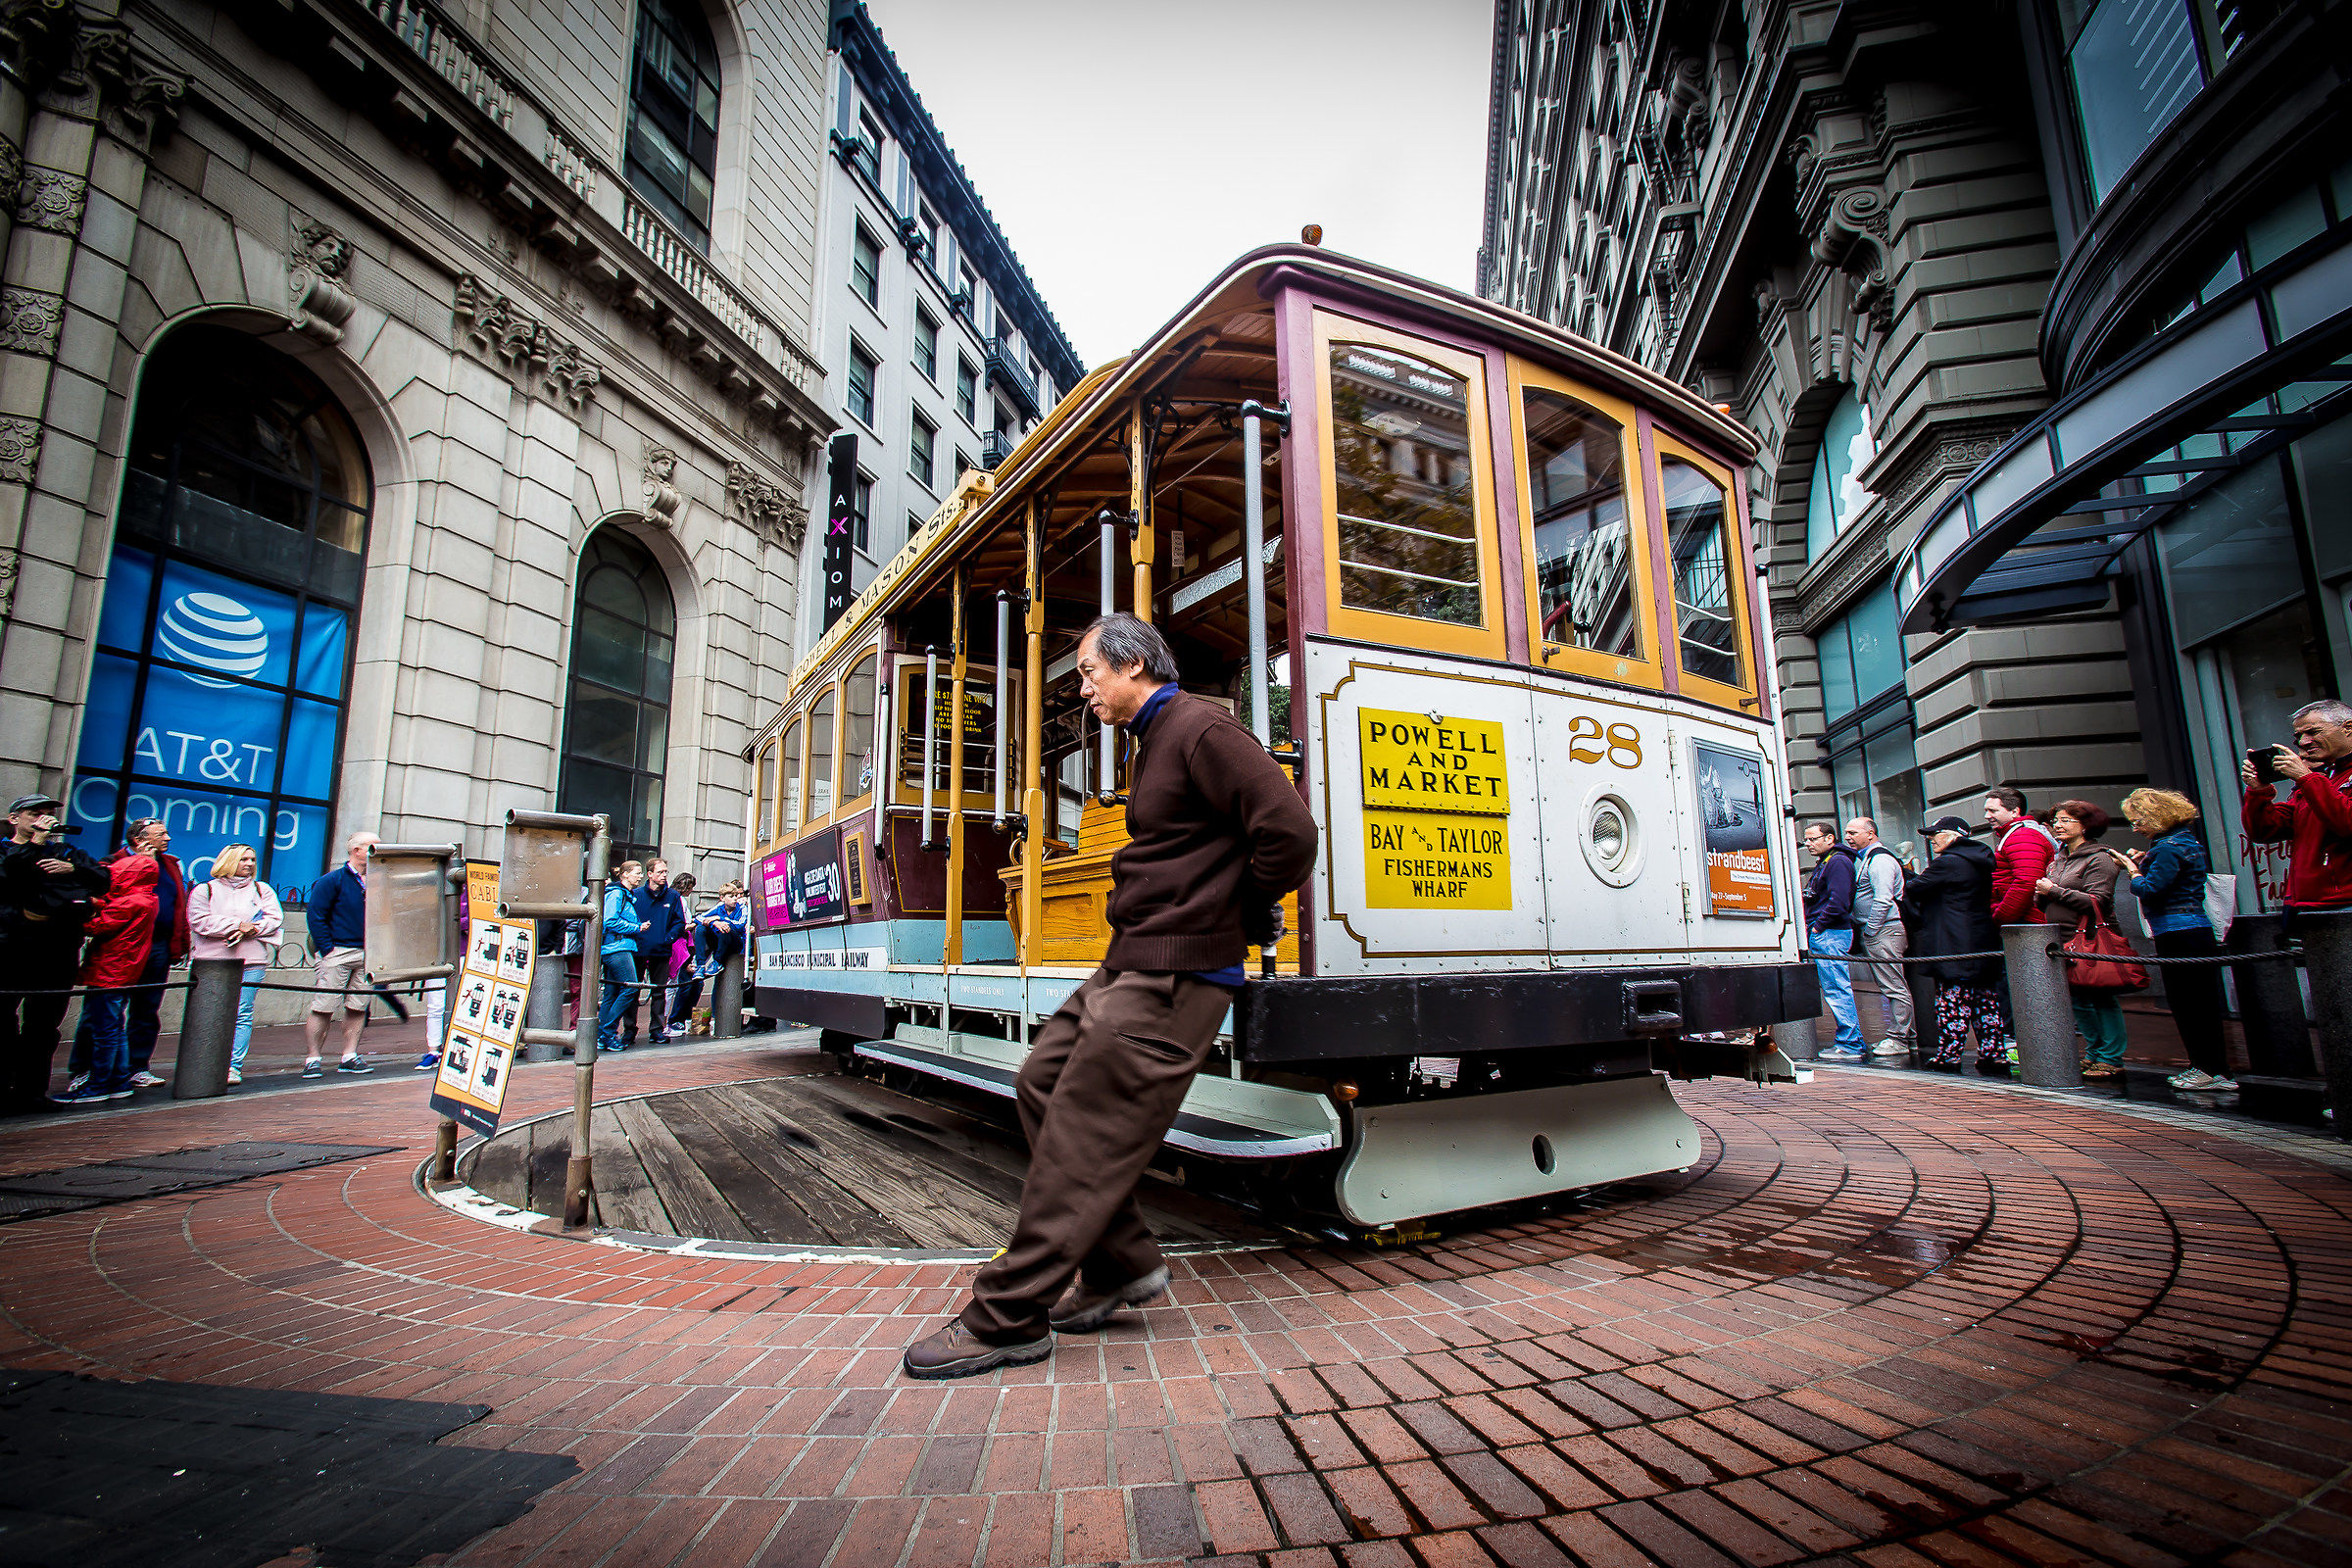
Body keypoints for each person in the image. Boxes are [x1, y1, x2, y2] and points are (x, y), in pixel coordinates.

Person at [903, 612, 1316, 1379]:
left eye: (1090, 672)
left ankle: (1005, 1318)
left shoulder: (1201, 730)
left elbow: (1290, 832)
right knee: (1042, 1083)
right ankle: (1122, 1264)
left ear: (1134, 666)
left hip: (1177, 974)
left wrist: (1238, 909)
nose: (1085, 687)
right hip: (1132, 965)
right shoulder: (1156, 739)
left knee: (1083, 1138)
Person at [61, 818, 191, 1095]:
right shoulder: (114, 863)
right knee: (101, 1013)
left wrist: (179, 942)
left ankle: (134, 1068)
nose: (168, 838)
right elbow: (100, 902)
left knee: (145, 1010)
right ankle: (86, 1070)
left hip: (157, 946)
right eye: (161, 834)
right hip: (120, 949)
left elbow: (179, 905)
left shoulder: (169, 865)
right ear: (140, 840)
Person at [2117, 788, 2233, 1092]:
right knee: (2202, 1003)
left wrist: (2132, 871)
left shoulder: (2167, 848)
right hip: (2194, 929)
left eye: (2138, 820)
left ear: (2156, 817)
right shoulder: (2184, 842)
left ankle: (2205, 1069)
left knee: (2188, 1004)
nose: (2135, 828)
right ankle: (2215, 1069)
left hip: (2178, 932)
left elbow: (2151, 889)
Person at [0, 794, 109, 1112]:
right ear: (14, 818)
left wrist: (70, 869)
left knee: (43, 1026)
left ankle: (31, 1092)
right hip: (10, 949)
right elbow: (11, 875)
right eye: (35, 813)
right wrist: (35, 842)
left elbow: (102, 881)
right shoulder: (7, 850)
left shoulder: (67, 852)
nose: (44, 819)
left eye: (48, 814)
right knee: (3, 1021)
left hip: (56, 951)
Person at [1900, 815, 2008, 1073]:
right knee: (1985, 1002)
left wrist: (1906, 875)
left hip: (1953, 941)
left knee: (1952, 1002)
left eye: (1936, 834)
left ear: (1952, 835)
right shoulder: (1979, 859)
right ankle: (1993, 1054)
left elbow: (1914, 888)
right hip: (1981, 938)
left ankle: (1948, 1056)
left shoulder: (1948, 862)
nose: (1931, 839)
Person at [55, 850, 161, 1103]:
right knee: (114, 1028)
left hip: (110, 970)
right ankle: (119, 1080)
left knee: (105, 1030)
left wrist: (82, 911)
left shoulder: (130, 901)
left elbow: (98, 925)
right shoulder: (145, 899)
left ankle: (100, 1083)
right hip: (121, 969)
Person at [2034, 801, 2128, 1082]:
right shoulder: (2059, 857)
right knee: (2079, 1000)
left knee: (2100, 996)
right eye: (2056, 820)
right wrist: (2043, 893)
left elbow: (2098, 901)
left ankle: (2111, 1057)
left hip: (2089, 936)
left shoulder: (2099, 858)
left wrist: (2054, 891)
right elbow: (2046, 896)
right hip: (2061, 938)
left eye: (2065, 820)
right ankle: (2095, 1050)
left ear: (2085, 826)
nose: (2057, 826)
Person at [2242, 698, 2352, 915]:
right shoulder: (2321, 777)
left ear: (2348, 728)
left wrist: (2306, 778)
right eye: (2299, 736)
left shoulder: (2314, 779)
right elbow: (2265, 831)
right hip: (2308, 903)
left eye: (2313, 732)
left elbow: (2347, 823)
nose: (2303, 742)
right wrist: (2258, 791)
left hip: (2344, 902)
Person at [186, 844, 282, 1087]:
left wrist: (254, 928)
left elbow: (274, 918)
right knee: (207, 1013)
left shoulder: (263, 890)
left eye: (252, 859)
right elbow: (199, 921)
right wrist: (235, 925)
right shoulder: (204, 890)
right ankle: (203, 1061)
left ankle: (233, 1065)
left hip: (251, 960)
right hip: (211, 961)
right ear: (229, 861)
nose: (249, 864)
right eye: (243, 859)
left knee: (242, 1013)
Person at [303, 831, 379, 1077]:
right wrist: (328, 949)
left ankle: (350, 1054)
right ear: (357, 850)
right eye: (372, 846)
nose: (378, 850)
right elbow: (316, 915)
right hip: (338, 951)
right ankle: (313, 1057)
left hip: (368, 953)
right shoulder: (332, 880)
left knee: (358, 1006)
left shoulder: (378, 880)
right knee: (324, 1006)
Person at [1844, 816, 1914, 1059]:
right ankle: (1908, 1035)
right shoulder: (1867, 859)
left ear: (1871, 833)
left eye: (1853, 832)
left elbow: (1883, 899)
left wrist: (1871, 930)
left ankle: (1899, 1038)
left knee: (1893, 986)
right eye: (1846, 832)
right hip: (1882, 930)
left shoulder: (1880, 860)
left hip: (1884, 931)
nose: (1848, 837)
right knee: (1892, 984)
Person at [1799, 821, 1865, 1062]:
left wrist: (1818, 926)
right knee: (1835, 988)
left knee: (1837, 988)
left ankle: (1851, 1044)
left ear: (1829, 838)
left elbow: (1839, 901)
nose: (1808, 844)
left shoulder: (1837, 862)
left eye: (1813, 839)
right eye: (1806, 840)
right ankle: (1849, 1042)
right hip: (1828, 932)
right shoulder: (1830, 861)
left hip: (1830, 933)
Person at [625, 858, 687, 1047]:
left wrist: (667, 938)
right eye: (660, 872)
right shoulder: (635, 895)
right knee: (632, 991)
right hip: (637, 949)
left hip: (661, 950)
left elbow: (679, 922)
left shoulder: (673, 896)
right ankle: (629, 1030)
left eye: (666, 872)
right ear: (650, 874)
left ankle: (657, 1029)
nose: (664, 875)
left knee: (660, 991)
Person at [671, 880, 747, 1035]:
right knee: (702, 928)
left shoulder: (742, 908)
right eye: (732, 896)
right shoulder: (719, 907)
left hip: (734, 944)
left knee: (725, 928)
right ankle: (701, 965)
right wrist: (714, 923)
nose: (735, 899)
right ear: (722, 898)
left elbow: (740, 925)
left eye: (737, 896)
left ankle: (717, 961)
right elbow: (699, 918)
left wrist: (719, 921)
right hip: (715, 941)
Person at [598, 861, 647, 1053]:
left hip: (612, 947)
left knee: (611, 993)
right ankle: (607, 1032)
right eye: (637, 873)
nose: (640, 876)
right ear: (625, 875)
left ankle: (604, 1035)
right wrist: (636, 927)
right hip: (618, 948)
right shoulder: (618, 893)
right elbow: (610, 920)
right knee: (631, 988)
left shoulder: (620, 893)